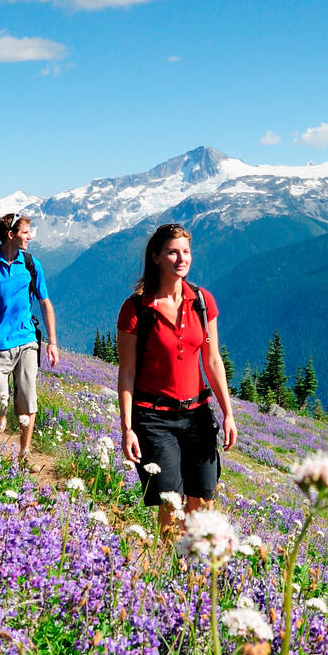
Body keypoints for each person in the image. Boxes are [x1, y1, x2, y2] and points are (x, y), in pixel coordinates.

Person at [117, 222, 236, 536]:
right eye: (173, 252)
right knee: (171, 507)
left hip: (197, 416)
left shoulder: (201, 301)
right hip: (154, 418)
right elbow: (126, 373)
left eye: (186, 251)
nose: (181, 258)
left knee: (203, 501)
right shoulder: (135, 309)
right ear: (156, 256)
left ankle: (192, 576)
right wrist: (127, 428)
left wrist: (228, 413)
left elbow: (212, 360)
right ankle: (168, 577)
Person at [0, 212, 58, 467]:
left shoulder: (31, 264)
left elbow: (45, 302)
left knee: (28, 397)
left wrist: (52, 342)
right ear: (11, 235)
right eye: (26, 232)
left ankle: (25, 453)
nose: (30, 236)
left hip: (27, 339)